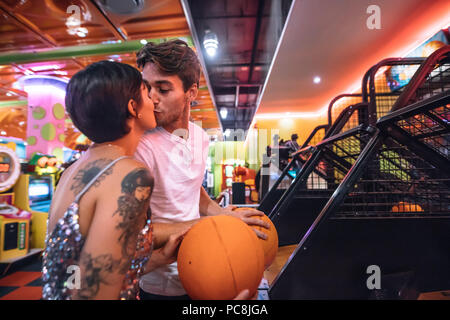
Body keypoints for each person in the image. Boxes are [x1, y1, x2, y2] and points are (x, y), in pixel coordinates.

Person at [134, 39, 270, 300]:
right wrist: (217, 222)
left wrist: (222, 215)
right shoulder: (142, 145)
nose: (152, 98)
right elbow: (137, 233)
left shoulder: (200, 137)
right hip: (162, 281)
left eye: (163, 89)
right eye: (147, 87)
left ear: (191, 93)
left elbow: (193, 190)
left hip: (208, 265)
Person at [42, 61, 188, 300]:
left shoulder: (73, 169)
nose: (154, 101)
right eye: (146, 93)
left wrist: (160, 258)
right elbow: (93, 293)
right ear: (133, 107)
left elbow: (80, 272)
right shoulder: (129, 175)